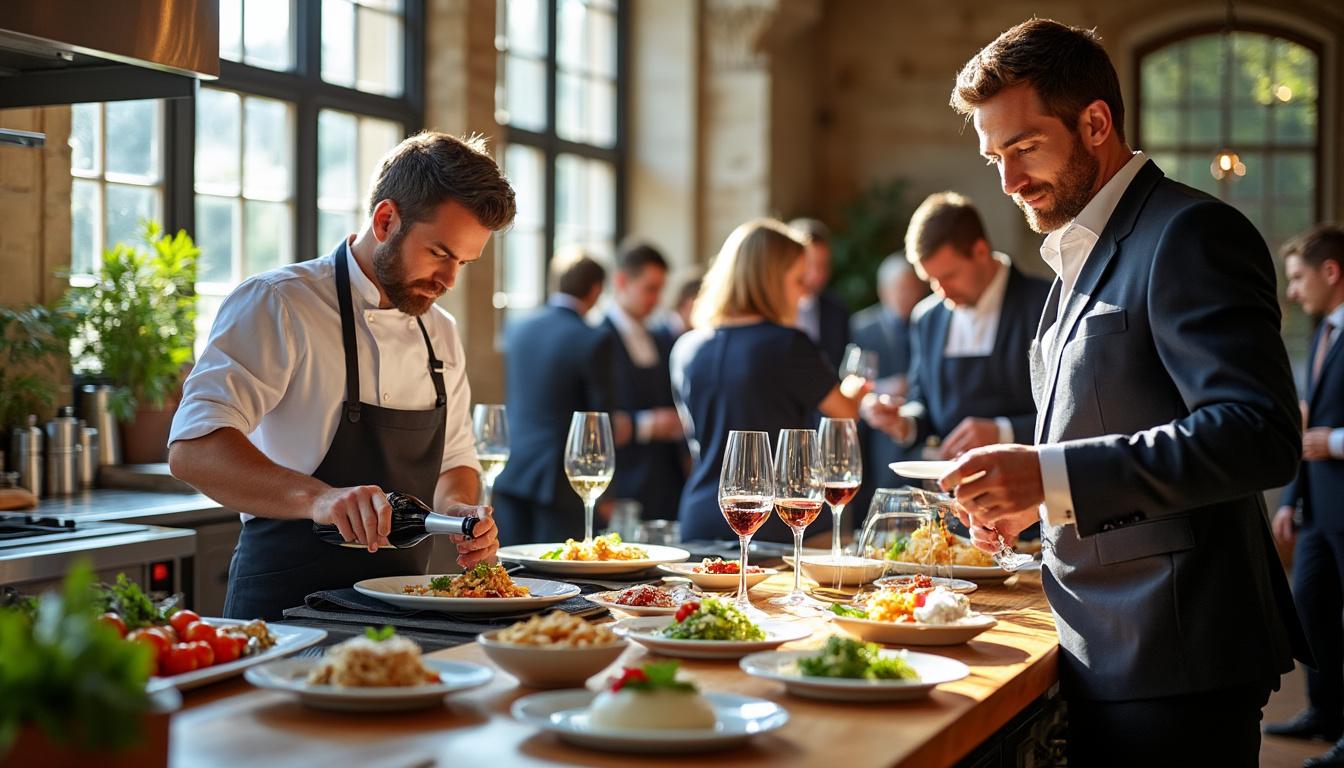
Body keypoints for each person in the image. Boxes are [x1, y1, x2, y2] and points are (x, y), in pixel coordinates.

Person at [937, 19, 1309, 766]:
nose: (1007, 181)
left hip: (1174, 654)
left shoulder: (1191, 232)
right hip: (1097, 639)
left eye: (1024, 147)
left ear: (1096, 123)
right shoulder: (1080, 248)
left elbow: (1256, 432)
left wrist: (1050, 478)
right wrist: (1030, 502)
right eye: (993, 157)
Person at [166, 132, 516, 620]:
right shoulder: (279, 303)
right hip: (285, 616)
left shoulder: (440, 331)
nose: (449, 280)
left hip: (406, 618)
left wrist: (456, 510)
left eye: (463, 261)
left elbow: (456, 458)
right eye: (439, 253)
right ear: (386, 219)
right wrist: (320, 499)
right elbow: (193, 450)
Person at [670, 219, 861, 544]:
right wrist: (854, 392)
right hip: (779, 523)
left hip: (699, 518)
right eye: (799, 280)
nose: (804, 292)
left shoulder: (686, 347)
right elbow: (844, 414)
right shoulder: (788, 344)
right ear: (770, 281)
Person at [861, 193, 1049, 467]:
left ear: (981, 251)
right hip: (946, 491)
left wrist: (1002, 431)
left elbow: (1070, 414)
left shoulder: (1045, 303)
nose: (942, 292)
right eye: (931, 280)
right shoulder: (927, 317)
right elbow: (921, 401)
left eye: (949, 276)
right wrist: (904, 422)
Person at [1267, 225, 1344, 768]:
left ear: (1331, 272)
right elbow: (1306, 425)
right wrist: (1291, 499)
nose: (1292, 292)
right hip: (1316, 508)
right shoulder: (1323, 334)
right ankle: (1325, 713)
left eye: (1298, 278)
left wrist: (1336, 443)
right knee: (1311, 609)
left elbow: (1324, 433)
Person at [492, 248, 621, 546]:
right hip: (561, 481)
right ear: (596, 289)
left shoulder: (518, 328)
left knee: (512, 570)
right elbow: (601, 420)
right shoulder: (593, 338)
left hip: (513, 468)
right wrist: (609, 491)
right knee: (560, 576)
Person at [599, 241, 687, 522]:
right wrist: (649, 425)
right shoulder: (597, 339)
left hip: (666, 481)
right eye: (650, 289)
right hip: (625, 480)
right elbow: (599, 417)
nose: (657, 299)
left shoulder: (661, 337)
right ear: (623, 281)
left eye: (660, 289)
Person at [848, 253, 928, 510]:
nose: (907, 295)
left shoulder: (927, 320)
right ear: (884, 290)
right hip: (879, 429)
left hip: (921, 426)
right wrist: (886, 387)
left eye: (913, 288)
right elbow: (850, 381)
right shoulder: (863, 325)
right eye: (901, 289)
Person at [789, 217, 851, 367]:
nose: (817, 275)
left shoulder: (837, 311)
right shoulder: (768, 312)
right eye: (810, 265)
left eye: (823, 266)